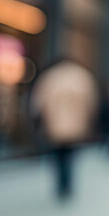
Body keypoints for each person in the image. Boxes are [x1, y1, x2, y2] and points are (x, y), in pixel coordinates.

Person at [31, 59, 99, 200]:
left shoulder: (50, 77)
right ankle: (67, 184)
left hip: (54, 125)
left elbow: (38, 102)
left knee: (58, 155)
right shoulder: (82, 77)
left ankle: (61, 184)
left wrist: (38, 120)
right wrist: (89, 121)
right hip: (75, 126)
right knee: (70, 155)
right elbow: (91, 103)